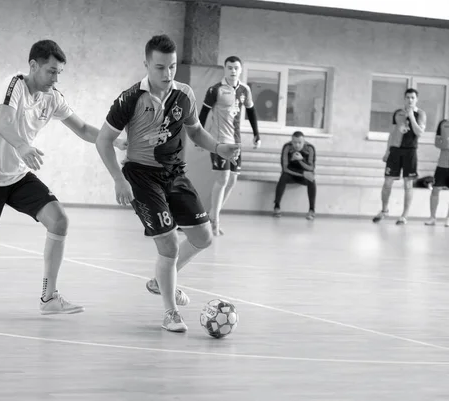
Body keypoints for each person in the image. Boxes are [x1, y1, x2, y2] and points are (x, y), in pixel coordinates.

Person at [0, 40, 127, 314]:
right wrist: (22, 146)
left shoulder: (52, 97)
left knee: (59, 220)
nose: (56, 77)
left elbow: (84, 128)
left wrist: (113, 140)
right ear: (33, 66)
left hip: (18, 176)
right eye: (51, 71)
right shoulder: (13, 86)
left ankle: (49, 298)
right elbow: (4, 122)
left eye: (59, 72)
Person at [96, 34, 240, 333]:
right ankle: (171, 313)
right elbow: (103, 141)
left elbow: (197, 132)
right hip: (141, 176)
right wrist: (118, 179)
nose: (167, 74)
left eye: (172, 67)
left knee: (204, 237)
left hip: (175, 174)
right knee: (170, 244)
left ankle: (160, 281)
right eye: (160, 67)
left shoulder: (184, 94)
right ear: (146, 64)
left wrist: (219, 147)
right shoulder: (130, 98)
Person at [199, 56, 260, 236]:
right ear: (225, 69)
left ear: (240, 70)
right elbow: (203, 114)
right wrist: (199, 138)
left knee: (232, 179)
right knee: (223, 179)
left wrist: (257, 134)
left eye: (236, 68)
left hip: (236, 141)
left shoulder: (245, 90)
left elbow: (251, 111)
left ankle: (212, 215)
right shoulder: (215, 90)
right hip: (219, 141)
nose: (233, 71)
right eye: (230, 67)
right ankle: (215, 221)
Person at [372, 88, 427, 225]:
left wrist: (411, 116)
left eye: (412, 98)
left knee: (408, 184)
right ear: (404, 99)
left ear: (416, 99)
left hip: (410, 151)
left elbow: (419, 132)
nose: (410, 100)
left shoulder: (421, 114)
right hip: (395, 151)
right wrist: (387, 151)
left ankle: (404, 215)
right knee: (387, 182)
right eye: (408, 97)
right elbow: (392, 133)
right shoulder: (397, 113)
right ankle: (384, 211)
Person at [272, 131, 316, 220]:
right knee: (283, 177)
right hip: (291, 175)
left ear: (304, 142)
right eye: (295, 142)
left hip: (304, 176)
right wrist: (302, 173)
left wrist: (301, 160)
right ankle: (277, 206)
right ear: (291, 141)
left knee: (312, 180)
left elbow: (311, 168)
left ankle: (311, 210)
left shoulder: (310, 148)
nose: (297, 145)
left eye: (300, 143)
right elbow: (285, 168)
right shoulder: (287, 147)